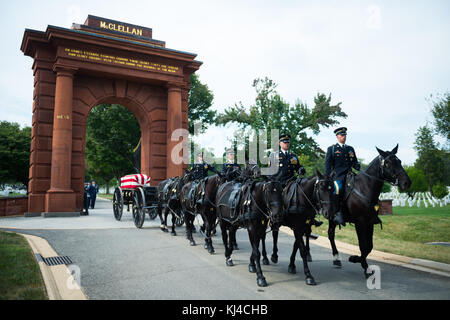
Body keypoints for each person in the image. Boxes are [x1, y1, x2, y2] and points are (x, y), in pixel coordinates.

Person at [269, 133, 322, 227]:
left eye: (287, 142)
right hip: (279, 183)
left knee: (305, 192)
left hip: (292, 181)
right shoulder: (274, 156)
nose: (286, 144)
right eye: (284, 142)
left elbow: (298, 167)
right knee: (277, 198)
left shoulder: (293, 156)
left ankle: (310, 217)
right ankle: (276, 217)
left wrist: (301, 169)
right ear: (279, 143)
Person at [325, 127, 362, 226]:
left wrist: (357, 165)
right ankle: (338, 212)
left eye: (345, 135)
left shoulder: (350, 149)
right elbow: (328, 165)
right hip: (338, 176)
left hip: (350, 175)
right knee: (338, 189)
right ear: (337, 137)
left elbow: (354, 162)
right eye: (341, 135)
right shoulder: (332, 149)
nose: (344, 137)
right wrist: (327, 177)